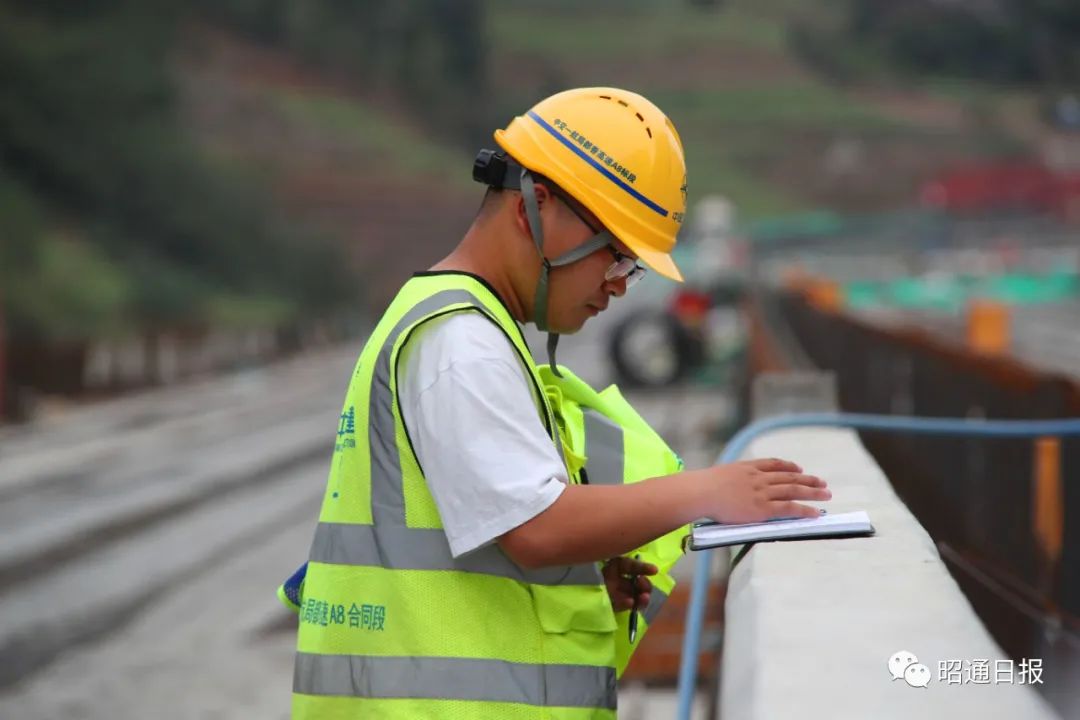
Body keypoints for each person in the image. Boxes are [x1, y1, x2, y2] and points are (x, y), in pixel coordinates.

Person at [291, 87, 831, 719]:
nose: (618, 285)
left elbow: (466, 547)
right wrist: (709, 492)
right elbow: (535, 528)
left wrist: (568, 587)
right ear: (538, 207)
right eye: (617, 254)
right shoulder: (461, 344)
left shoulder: (467, 329)